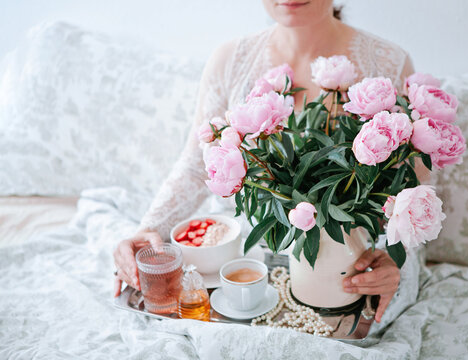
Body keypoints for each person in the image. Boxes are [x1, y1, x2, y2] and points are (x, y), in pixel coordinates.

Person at [113, 0, 423, 325]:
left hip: (342, 266)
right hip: (245, 265)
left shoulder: (388, 62)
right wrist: (148, 229)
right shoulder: (229, 61)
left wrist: (396, 262)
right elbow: (196, 166)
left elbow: (417, 189)